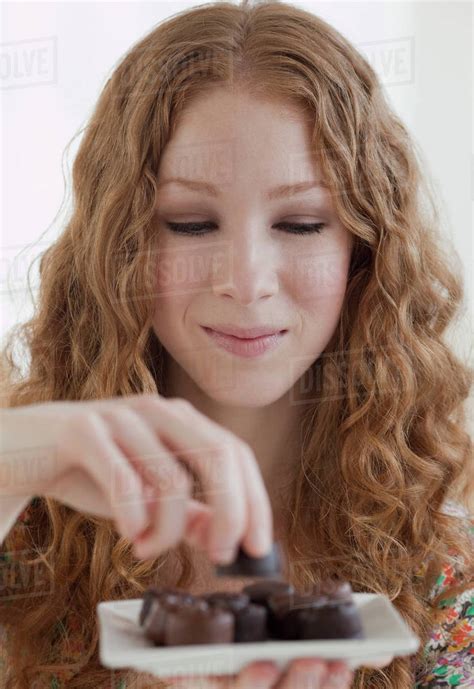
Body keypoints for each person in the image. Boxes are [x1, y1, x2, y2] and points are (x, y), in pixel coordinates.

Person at [0, 0, 472, 687]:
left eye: (303, 222)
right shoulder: (24, 520)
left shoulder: (443, 568)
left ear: (364, 252)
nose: (246, 281)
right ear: (121, 244)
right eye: (191, 223)